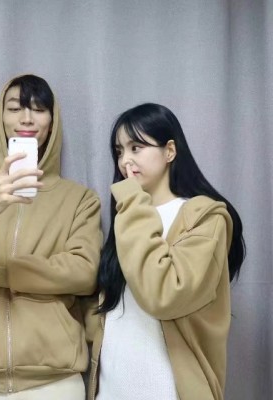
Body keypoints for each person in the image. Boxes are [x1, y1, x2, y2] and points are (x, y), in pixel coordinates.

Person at [0, 74, 102, 400]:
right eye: (15, 108)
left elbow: (84, 273)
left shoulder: (79, 199)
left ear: (52, 122)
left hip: (53, 381)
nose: (26, 118)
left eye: (38, 109)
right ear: (1, 117)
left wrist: (1, 275)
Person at [88, 103, 246, 400]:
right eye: (119, 151)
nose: (125, 161)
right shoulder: (127, 216)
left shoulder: (203, 216)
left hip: (167, 390)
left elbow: (164, 294)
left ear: (169, 151)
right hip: (111, 388)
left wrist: (132, 202)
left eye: (136, 147)